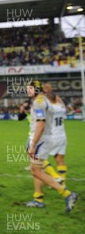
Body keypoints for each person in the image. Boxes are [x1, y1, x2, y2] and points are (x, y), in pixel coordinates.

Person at [22, 80, 77, 212]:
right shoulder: (45, 100)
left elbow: (41, 124)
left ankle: (67, 194)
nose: (28, 91)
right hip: (47, 137)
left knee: (36, 170)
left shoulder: (39, 102)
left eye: (30, 89)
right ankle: (38, 198)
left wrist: (33, 143)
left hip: (41, 138)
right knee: (37, 170)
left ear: (36, 89)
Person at [42, 83, 68, 184]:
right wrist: (50, 92)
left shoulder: (48, 109)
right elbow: (57, 99)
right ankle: (63, 183)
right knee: (60, 159)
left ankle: (55, 176)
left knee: (38, 158)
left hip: (51, 137)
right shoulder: (62, 107)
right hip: (62, 136)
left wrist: (46, 92)